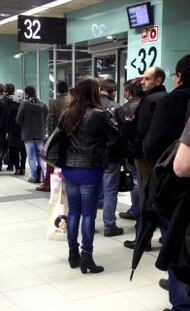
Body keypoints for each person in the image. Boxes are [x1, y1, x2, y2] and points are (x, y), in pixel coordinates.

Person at [143, 55, 190, 311]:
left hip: (175, 190)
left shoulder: (169, 101)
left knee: (177, 244)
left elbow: (153, 145)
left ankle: (181, 301)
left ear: (178, 77)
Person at [58, 78, 119, 273]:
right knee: (89, 215)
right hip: (90, 168)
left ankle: (72, 254)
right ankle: (87, 257)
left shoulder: (67, 112)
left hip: (69, 167)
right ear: (94, 92)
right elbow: (115, 136)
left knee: (74, 212)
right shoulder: (100, 114)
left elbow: (60, 137)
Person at [124, 66, 167, 251]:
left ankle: (143, 240)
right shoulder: (169, 98)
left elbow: (141, 130)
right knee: (163, 197)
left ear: (158, 81)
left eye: (147, 79)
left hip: (146, 158)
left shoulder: (149, 101)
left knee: (146, 198)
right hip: (166, 157)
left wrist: (135, 150)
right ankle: (166, 237)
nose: (142, 81)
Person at [98, 79, 124, 237]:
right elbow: (122, 131)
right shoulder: (116, 107)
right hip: (111, 155)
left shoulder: (89, 105)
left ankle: (89, 224)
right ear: (113, 91)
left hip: (92, 156)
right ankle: (109, 225)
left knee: (91, 190)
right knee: (110, 191)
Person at [119, 79, 144, 220]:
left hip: (132, 151)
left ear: (129, 91)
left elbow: (123, 133)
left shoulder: (126, 108)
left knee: (135, 180)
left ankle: (136, 210)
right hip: (146, 150)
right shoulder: (146, 104)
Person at [37, 81, 69, 192]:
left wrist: (50, 137)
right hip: (71, 137)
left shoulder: (54, 102)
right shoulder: (73, 100)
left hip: (58, 135)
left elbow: (50, 121)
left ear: (57, 90)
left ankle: (47, 184)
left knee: (50, 161)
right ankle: (66, 183)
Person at [16, 86, 48, 183]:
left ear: (26, 93)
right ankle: (44, 177)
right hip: (40, 133)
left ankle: (34, 177)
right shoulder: (43, 104)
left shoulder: (24, 104)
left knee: (31, 156)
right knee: (41, 156)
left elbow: (18, 120)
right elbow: (46, 117)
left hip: (28, 133)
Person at [6, 85, 26, 175]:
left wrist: (7, 131)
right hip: (24, 131)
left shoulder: (12, 107)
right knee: (23, 151)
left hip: (13, 132)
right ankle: (23, 168)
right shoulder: (25, 106)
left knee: (14, 151)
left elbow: (7, 120)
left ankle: (17, 168)